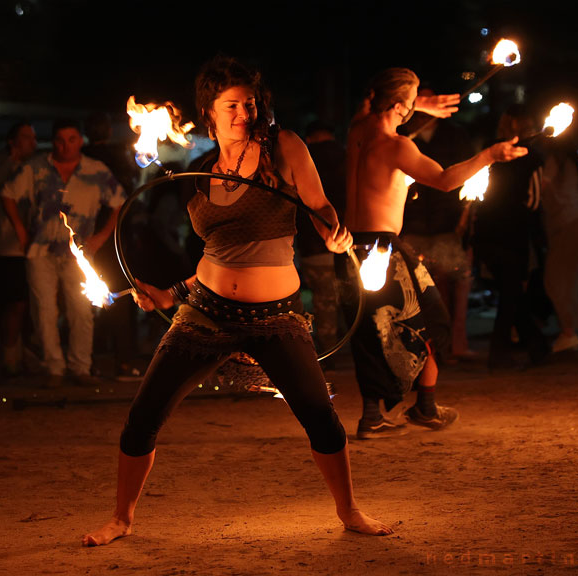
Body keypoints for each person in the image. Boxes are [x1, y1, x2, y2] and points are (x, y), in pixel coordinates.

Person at [83, 56, 392, 547]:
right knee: (144, 416)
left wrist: (333, 231)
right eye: (231, 105)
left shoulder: (283, 148)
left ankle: (349, 510)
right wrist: (171, 293)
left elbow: (318, 205)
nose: (243, 112)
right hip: (204, 310)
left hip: (275, 316)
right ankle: (121, 517)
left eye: (249, 102)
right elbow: (215, 256)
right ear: (208, 112)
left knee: (318, 413)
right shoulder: (201, 172)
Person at [343, 68, 527, 439]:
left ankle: (372, 417)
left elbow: (372, 110)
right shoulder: (398, 146)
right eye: (411, 101)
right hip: (385, 250)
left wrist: (420, 104)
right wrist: (489, 155)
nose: (414, 108)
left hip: (350, 249)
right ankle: (424, 406)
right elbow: (445, 180)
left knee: (370, 332)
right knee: (433, 323)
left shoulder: (357, 132)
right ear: (398, 105)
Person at [1, 118, 127, 387]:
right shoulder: (35, 168)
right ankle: (53, 368)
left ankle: (81, 366)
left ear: (80, 141)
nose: (66, 146)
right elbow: (7, 194)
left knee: (81, 309)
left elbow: (120, 203)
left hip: (79, 253)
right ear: (53, 141)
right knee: (44, 310)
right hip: (40, 250)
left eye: (71, 140)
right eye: (60, 140)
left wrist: (101, 237)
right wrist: (22, 233)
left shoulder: (97, 170)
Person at [471, 105, 550, 371]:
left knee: (510, 293)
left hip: (486, 231)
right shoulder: (531, 157)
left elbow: (477, 191)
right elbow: (533, 200)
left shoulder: (489, 151)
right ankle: (501, 351)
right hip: (512, 234)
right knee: (511, 294)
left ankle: (536, 345)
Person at [401, 88, 478, 362]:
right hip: (412, 224)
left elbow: (468, 175)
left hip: (447, 223)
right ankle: (426, 350)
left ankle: (454, 344)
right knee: (420, 291)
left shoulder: (454, 136)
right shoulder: (403, 137)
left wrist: (465, 215)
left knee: (453, 282)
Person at [83, 111, 142, 379]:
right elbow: (129, 189)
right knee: (119, 295)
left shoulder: (85, 157)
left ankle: (92, 360)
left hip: (96, 235)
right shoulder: (115, 156)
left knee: (91, 298)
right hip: (111, 235)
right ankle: (122, 360)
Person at [0, 121, 38, 375]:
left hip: (24, 246)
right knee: (13, 302)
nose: (32, 142)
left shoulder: (31, 167)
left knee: (19, 301)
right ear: (12, 141)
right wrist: (8, 163)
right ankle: (9, 355)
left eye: (34, 138)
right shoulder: (1, 163)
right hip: (5, 244)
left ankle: (17, 350)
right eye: (26, 137)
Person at [295, 120, 347, 358]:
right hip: (349, 238)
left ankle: (329, 351)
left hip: (312, 243)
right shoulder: (347, 157)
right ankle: (356, 348)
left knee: (324, 300)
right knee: (353, 294)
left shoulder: (302, 161)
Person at [540, 136, 578, 352]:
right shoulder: (570, 161)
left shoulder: (556, 161)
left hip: (568, 224)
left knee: (554, 279)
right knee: (570, 279)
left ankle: (568, 331)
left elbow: (546, 189)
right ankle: (569, 330)